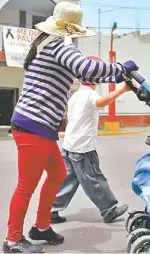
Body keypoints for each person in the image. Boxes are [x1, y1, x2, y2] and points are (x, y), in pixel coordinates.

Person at [3, 2, 138, 253]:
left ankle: (41, 227)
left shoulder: (49, 44)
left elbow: (88, 73)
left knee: (57, 174)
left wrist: (118, 76)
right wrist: (121, 69)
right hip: (33, 125)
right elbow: (85, 68)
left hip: (40, 127)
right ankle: (13, 240)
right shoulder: (57, 44)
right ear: (70, 29)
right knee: (26, 186)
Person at [51, 79, 133, 224]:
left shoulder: (76, 95)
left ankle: (51, 210)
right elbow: (101, 102)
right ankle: (109, 210)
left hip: (69, 144)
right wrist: (122, 90)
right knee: (94, 179)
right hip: (83, 146)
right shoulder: (89, 94)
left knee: (66, 180)